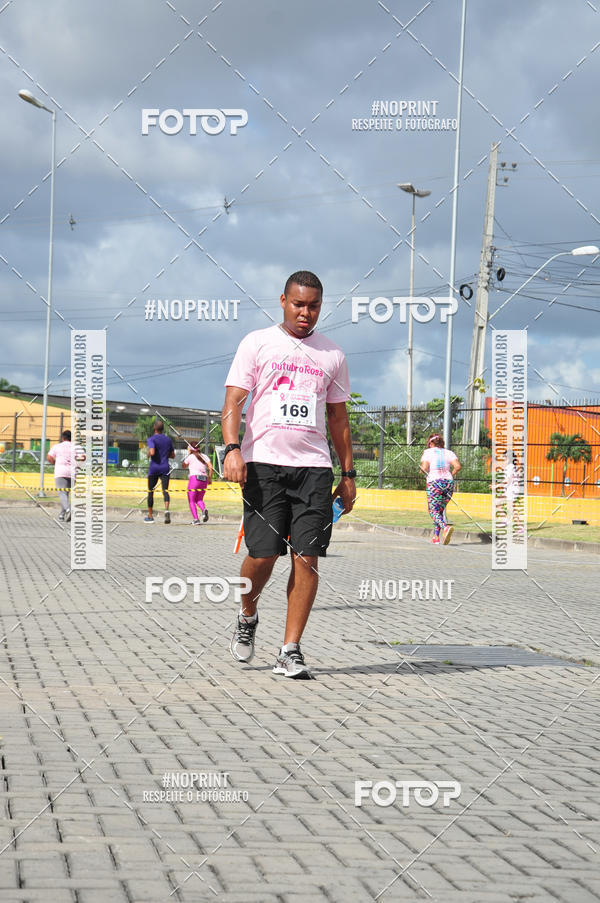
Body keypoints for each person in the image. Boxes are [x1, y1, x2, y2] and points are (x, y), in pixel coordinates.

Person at [222, 270, 356, 679]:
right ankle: (248, 614)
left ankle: (290, 649)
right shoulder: (257, 343)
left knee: (307, 558)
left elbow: (338, 417)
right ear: (283, 300)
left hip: (314, 469)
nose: (305, 313)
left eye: (313, 306)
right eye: (298, 304)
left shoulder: (332, 355)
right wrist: (231, 450)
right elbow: (233, 402)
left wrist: (348, 473)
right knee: (262, 555)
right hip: (263, 464)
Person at [420, 433, 461, 544]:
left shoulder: (428, 452)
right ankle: (436, 537)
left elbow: (424, 468)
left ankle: (445, 527)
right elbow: (457, 466)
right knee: (439, 510)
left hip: (434, 483)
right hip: (448, 483)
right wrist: (451, 474)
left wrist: (421, 470)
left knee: (433, 511)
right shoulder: (449, 453)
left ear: (431, 443)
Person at [146, 419, 175, 524]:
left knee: (150, 491)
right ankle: (166, 510)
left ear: (154, 428)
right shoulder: (168, 440)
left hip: (154, 468)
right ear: (162, 429)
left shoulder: (151, 439)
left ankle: (150, 516)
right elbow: (173, 455)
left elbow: (152, 452)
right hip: (165, 468)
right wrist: (164, 454)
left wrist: (148, 454)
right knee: (165, 491)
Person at [182, 441, 213, 524]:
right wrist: (210, 478)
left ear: (191, 449)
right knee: (199, 499)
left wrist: (188, 453)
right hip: (204, 479)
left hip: (194, 479)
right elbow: (210, 467)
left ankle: (196, 519)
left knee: (191, 500)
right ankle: (204, 509)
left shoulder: (190, 457)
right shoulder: (204, 456)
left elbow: (183, 466)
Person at [47, 429, 74, 521]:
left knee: (62, 493)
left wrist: (55, 463)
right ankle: (62, 515)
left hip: (60, 472)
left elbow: (49, 457)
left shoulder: (57, 446)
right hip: (73, 473)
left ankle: (68, 509)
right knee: (66, 493)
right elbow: (83, 457)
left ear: (63, 437)